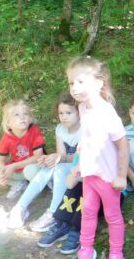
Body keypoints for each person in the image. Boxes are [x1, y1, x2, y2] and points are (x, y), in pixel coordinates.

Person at [67, 56, 129, 259]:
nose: (75, 87)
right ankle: (86, 248)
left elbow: (123, 145)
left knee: (112, 216)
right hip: (89, 174)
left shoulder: (106, 112)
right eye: (71, 83)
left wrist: (121, 175)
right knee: (88, 212)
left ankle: (116, 253)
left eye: (80, 82)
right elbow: (86, 139)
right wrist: (78, 164)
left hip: (108, 177)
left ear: (98, 83)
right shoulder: (83, 107)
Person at [8, 93, 81, 230]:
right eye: (61, 113)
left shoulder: (85, 129)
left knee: (59, 168)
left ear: (79, 113)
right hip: (68, 166)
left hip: (82, 168)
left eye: (69, 113)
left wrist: (59, 158)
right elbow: (62, 155)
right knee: (48, 167)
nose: (64, 117)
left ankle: (53, 214)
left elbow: (82, 158)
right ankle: (20, 208)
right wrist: (50, 158)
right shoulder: (60, 129)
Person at [0, 99, 45, 200]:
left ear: (30, 118)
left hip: (34, 168)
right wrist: (2, 172)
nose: (22, 117)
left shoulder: (34, 131)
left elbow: (38, 157)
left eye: (25, 114)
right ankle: (19, 184)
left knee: (30, 170)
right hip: (17, 172)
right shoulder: (7, 138)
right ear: (8, 123)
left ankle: (37, 186)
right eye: (16, 115)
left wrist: (14, 166)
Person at [37, 152, 83, 254]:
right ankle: (62, 224)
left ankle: (77, 229)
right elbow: (70, 184)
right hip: (84, 182)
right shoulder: (81, 153)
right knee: (73, 190)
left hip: (102, 193)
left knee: (87, 194)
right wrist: (79, 164)